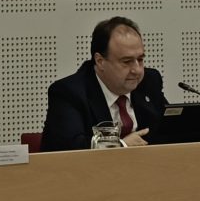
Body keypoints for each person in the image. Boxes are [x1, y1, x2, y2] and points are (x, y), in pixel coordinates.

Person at [41, 17, 168, 152]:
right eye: (126, 61)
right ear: (100, 61)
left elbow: (169, 130)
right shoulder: (69, 92)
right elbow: (70, 146)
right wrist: (121, 146)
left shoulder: (149, 81)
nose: (137, 70)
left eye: (140, 59)